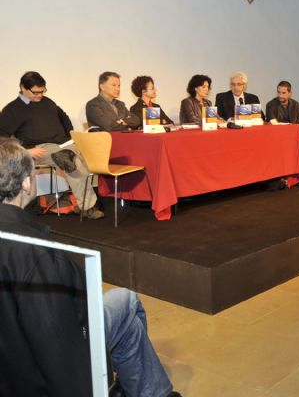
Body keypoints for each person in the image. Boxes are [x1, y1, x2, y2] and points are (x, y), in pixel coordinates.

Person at [0, 138, 181, 397]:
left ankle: (140, 386)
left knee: (125, 314)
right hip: (33, 372)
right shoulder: (34, 252)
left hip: (12, 359)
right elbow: (58, 341)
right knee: (127, 301)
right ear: (27, 183)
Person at [0, 71, 104, 219]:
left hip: (63, 145)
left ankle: (83, 203)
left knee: (83, 155)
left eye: (42, 91)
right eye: (36, 92)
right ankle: (88, 206)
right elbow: (2, 138)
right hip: (40, 149)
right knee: (71, 159)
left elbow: (64, 117)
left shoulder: (48, 102)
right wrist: (25, 151)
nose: (40, 95)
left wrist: (70, 136)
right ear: (23, 88)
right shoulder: (12, 110)